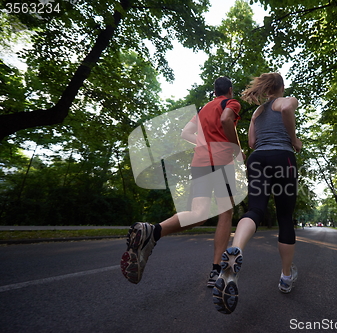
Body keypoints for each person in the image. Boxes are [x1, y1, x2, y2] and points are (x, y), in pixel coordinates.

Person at [121, 76, 244, 286]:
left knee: (199, 214)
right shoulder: (230, 103)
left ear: (214, 91)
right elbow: (225, 120)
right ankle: (216, 271)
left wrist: (204, 142)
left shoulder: (204, 109)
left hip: (200, 162)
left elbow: (185, 132)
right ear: (230, 90)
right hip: (222, 160)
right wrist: (236, 148)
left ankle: (154, 231)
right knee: (226, 212)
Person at [212, 73, 302, 314]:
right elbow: (284, 109)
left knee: (255, 210)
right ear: (281, 87)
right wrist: (294, 140)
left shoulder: (256, 113)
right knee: (284, 216)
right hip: (282, 157)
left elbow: (251, 143)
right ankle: (285, 277)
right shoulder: (287, 100)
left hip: (258, 159)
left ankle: (237, 249)